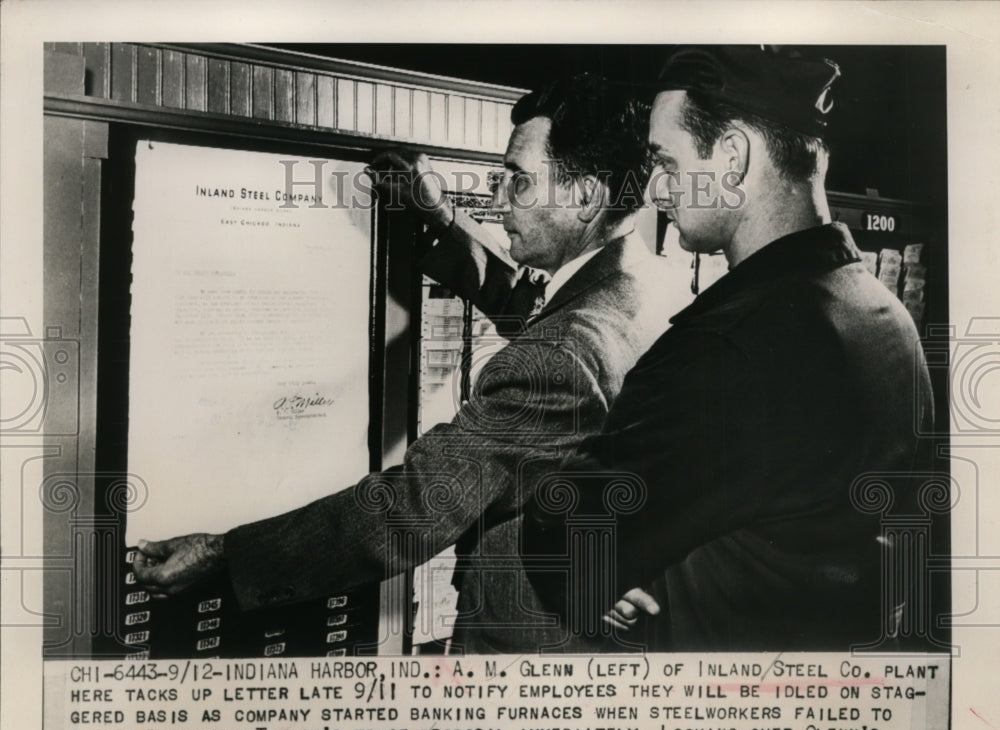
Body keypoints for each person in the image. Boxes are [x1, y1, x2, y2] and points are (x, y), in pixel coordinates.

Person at [133, 74, 673, 654]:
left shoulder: (563, 355)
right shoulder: (638, 287)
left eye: (517, 182)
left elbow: (412, 505)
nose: (496, 201)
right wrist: (443, 221)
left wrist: (224, 554)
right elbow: (537, 309)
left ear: (585, 197)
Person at [522, 46, 935, 651]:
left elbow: (566, 532)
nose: (657, 188)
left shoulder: (730, 345)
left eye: (666, 161)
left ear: (733, 157)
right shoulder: (883, 314)